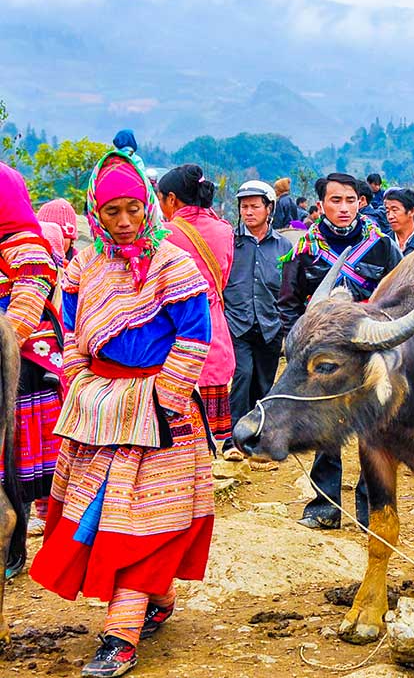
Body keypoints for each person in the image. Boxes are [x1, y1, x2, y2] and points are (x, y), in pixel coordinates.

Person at [30, 140, 214, 677]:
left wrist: (165, 398)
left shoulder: (172, 263)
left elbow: (194, 337)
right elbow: (69, 332)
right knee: (98, 518)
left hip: (161, 416)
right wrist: (81, 382)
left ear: (149, 205)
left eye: (135, 207)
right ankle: (157, 600)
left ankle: (121, 635)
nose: (127, 221)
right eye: (113, 211)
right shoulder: (84, 266)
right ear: (97, 212)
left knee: (141, 522)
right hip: (99, 414)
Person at [279, 172, 401, 530]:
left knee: (373, 430)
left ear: (361, 203)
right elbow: (288, 303)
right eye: (335, 201)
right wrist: (295, 346)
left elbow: (396, 297)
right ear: (321, 205)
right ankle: (324, 505)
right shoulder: (303, 249)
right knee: (323, 429)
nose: (344, 208)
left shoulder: (382, 245)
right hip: (321, 360)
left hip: (368, 354)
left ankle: (369, 508)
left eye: (350, 200)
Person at [0, 163, 64, 563]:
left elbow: (28, 300)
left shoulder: (27, 246)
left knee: (16, 471)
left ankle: (17, 548)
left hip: (24, 369)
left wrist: (5, 341)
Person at [158, 164, 235, 448]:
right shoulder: (224, 230)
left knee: (178, 432)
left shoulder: (163, 234)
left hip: (173, 333)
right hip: (213, 329)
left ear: (172, 199)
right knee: (210, 438)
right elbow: (222, 280)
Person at [222, 180, 291, 462]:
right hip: (236, 322)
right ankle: (233, 439)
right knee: (242, 376)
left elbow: (288, 286)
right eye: (244, 207)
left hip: (270, 324)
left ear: (269, 208)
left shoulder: (283, 245)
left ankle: (260, 438)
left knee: (265, 383)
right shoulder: (230, 242)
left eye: (254, 206)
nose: (248, 212)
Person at [383, 188, 414, 256]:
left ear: (412, 211)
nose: (390, 216)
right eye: (387, 211)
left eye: (394, 210)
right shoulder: (383, 243)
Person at [37, 197, 80, 262]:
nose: (55, 241)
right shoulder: (22, 261)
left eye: (62, 235)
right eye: (49, 234)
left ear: (72, 240)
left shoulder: (83, 266)